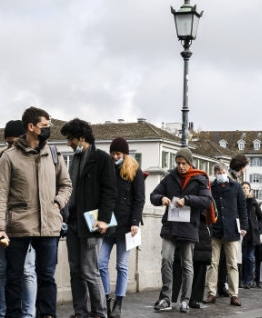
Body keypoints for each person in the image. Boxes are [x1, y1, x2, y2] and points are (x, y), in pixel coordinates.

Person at [0, 107, 73, 318]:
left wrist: (57, 203)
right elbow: (0, 195)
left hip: (48, 225)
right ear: (31, 127)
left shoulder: (54, 154)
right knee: (13, 277)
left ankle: (47, 315)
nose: (48, 130)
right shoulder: (9, 158)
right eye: (44, 126)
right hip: (18, 226)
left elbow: (66, 185)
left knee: (47, 277)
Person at [60, 118, 116, 318]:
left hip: (92, 224)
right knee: (76, 271)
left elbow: (110, 192)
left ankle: (100, 313)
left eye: (70, 139)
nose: (68, 143)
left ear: (82, 138)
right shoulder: (75, 160)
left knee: (89, 270)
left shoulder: (102, 159)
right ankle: (80, 312)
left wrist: (104, 219)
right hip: (73, 223)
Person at [150, 148, 213, 313]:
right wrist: (160, 199)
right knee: (166, 259)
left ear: (189, 163)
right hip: (171, 226)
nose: (181, 167)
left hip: (189, 227)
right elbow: (153, 195)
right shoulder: (170, 178)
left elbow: (207, 201)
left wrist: (187, 200)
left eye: (184, 163)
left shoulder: (199, 179)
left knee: (187, 263)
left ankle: (185, 300)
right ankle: (166, 298)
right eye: (178, 163)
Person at [0, 120, 36, 318]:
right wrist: (2, 182)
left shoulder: (33, 158)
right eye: (8, 143)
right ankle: (4, 313)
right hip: (0, 223)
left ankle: (28, 314)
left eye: (15, 142)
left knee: (27, 270)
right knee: (3, 271)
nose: (11, 147)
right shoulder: (0, 159)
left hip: (25, 223)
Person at [99, 136, 144, 318]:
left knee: (122, 266)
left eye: (118, 154)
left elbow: (139, 199)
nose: (114, 156)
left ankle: (119, 302)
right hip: (109, 224)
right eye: (112, 154)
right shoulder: (107, 170)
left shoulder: (134, 171)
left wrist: (135, 222)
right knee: (101, 263)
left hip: (127, 226)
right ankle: (106, 298)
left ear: (124, 154)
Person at [203, 163, 246, 306]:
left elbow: (242, 207)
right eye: (219, 172)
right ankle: (211, 293)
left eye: (223, 171)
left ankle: (234, 294)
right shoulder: (211, 187)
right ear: (215, 173)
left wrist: (244, 226)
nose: (222, 173)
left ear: (226, 172)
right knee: (213, 263)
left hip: (232, 229)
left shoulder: (236, 187)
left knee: (232, 264)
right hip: (215, 229)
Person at [240, 182, 262, 290]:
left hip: (252, 235)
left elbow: (261, 218)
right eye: (243, 188)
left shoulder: (253, 203)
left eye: (247, 188)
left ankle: (247, 280)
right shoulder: (238, 201)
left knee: (249, 258)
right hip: (240, 234)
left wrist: (257, 227)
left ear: (249, 190)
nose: (245, 190)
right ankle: (241, 280)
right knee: (241, 258)